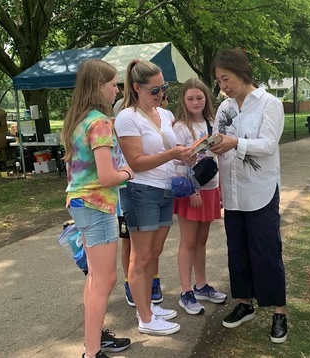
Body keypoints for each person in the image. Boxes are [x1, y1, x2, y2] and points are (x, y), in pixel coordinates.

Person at [209, 48, 288, 344]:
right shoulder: (224, 108)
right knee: (237, 251)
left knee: (266, 251)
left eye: (226, 78)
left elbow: (268, 145)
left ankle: (279, 311)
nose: (223, 86)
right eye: (218, 81)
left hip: (261, 190)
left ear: (242, 73)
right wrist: (207, 147)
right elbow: (219, 140)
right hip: (232, 191)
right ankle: (244, 303)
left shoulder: (270, 103)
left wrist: (234, 143)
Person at [114, 59, 194, 335]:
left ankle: (146, 305)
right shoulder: (128, 117)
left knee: (154, 253)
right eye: (154, 89)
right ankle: (146, 318)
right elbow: (135, 162)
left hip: (165, 189)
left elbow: (173, 149)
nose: (160, 93)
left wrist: (188, 152)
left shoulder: (167, 114)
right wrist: (173, 154)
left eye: (164, 87)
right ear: (136, 88)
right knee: (141, 256)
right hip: (141, 190)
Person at [61, 59, 134, 358]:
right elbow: (106, 176)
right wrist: (128, 173)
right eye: (113, 84)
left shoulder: (77, 119)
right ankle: (91, 352)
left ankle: (93, 342)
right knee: (105, 279)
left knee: (95, 277)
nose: (117, 90)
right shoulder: (100, 122)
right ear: (98, 87)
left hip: (81, 202)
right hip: (98, 204)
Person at [173, 78, 226, 315]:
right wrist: (192, 189)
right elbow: (179, 161)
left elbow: (218, 157)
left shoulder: (213, 123)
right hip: (191, 191)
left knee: (202, 241)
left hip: (211, 187)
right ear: (183, 101)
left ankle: (201, 285)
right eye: (190, 98)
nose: (196, 102)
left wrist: (220, 188)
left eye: (200, 97)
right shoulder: (181, 127)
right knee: (189, 241)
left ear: (207, 98)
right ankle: (186, 291)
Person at [113, 103, 163, 308]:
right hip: (126, 191)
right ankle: (129, 282)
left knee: (151, 243)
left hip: (147, 187)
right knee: (129, 242)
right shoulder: (117, 122)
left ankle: (153, 280)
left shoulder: (151, 119)